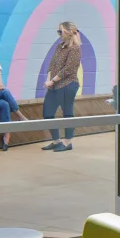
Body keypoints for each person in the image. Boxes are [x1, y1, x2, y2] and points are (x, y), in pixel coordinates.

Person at [43, 21, 82, 152]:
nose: (59, 34)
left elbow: (68, 69)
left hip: (68, 85)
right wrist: (48, 79)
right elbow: (52, 64)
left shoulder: (75, 48)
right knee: (47, 113)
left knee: (67, 113)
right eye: (58, 31)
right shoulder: (59, 47)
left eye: (61, 31)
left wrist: (52, 81)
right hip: (54, 86)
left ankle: (67, 142)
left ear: (68, 32)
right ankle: (56, 141)